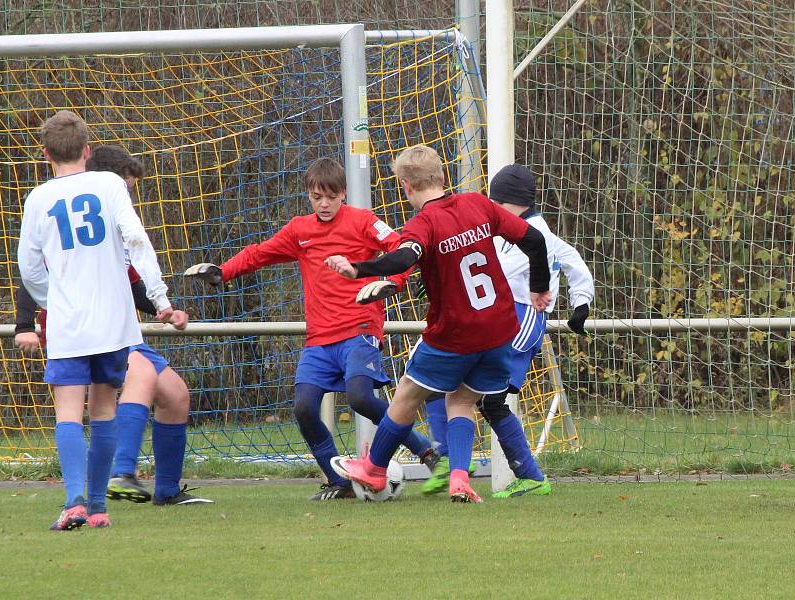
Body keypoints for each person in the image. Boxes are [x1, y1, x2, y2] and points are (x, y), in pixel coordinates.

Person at [184, 157, 439, 500]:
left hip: (360, 328)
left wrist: (391, 282)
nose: (323, 203)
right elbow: (260, 253)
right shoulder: (300, 230)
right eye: (316, 196)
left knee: (361, 397)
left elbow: (402, 250)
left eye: (330, 196)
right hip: (319, 339)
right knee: (304, 408)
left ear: (344, 193)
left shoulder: (363, 221)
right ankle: (339, 483)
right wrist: (224, 272)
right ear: (308, 195)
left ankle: (423, 448)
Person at [326, 145, 552, 503]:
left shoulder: (424, 224)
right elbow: (534, 240)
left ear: (406, 186)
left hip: (455, 333)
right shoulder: (479, 204)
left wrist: (359, 268)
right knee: (461, 402)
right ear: (442, 176)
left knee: (405, 397)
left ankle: (373, 470)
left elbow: (403, 256)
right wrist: (540, 287)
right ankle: (459, 479)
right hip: (498, 329)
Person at [15, 145, 212, 507]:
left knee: (176, 395)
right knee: (134, 382)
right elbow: (35, 269)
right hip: (88, 328)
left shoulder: (111, 225)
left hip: (114, 324)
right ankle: (120, 473)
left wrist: (162, 308)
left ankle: (166, 490)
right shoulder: (80, 207)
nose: (129, 192)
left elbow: (131, 278)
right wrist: (24, 323)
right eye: (127, 184)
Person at [421, 163, 594, 498]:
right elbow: (575, 264)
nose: (492, 206)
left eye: (496, 201)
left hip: (521, 319)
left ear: (513, 202)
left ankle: (523, 474)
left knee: (487, 398)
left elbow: (501, 269)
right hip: (497, 316)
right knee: (446, 385)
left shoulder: (535, 235)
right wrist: (580, 304)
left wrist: (580, 306)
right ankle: (455, 459)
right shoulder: (515, 230)